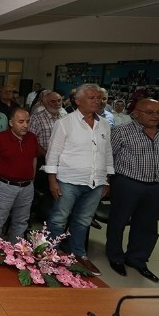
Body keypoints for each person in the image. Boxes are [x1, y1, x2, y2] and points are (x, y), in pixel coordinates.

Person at [44, 83, 114, 276]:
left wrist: (106, 179)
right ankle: (49, 255)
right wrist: (52, 180)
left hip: (95, 182)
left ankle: (79, 255)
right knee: (58, 220)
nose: (97, 101)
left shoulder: (104, 124)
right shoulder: (65, 123)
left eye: (98, 97)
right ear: (78, 101)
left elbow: (107, 152)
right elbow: (53, 153)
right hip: (68, 181)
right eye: (91, 97)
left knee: (83, 221)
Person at [107, 99, 159, 282]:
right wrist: (108, 182)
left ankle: (137, 259)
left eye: (158, 112)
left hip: (156, 186)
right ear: (136, 113)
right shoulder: (121, 131)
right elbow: (108, 158)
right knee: (118, 222)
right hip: (127, 183)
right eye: (150, 112)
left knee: (147, 225)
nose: (155, 116)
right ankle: (115, 257)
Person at [0, 109, 39, 241]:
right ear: (11, 123)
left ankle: (15, 250)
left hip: (27, 187)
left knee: (21, 222)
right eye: (21, 122)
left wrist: (32, 180)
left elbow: (34, 159)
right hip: (5, 186)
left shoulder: (32, 138)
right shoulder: (0, 138)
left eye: (27, 121)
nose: (25, 125)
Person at [29, 91, 63, 157]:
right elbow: (31, 140)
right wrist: (46, 155)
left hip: (61, 158)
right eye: (53, 101)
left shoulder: (63, 117)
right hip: (42, 157)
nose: (57, 104)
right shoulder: (36, 118)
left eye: (59, 100)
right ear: (45, 103)